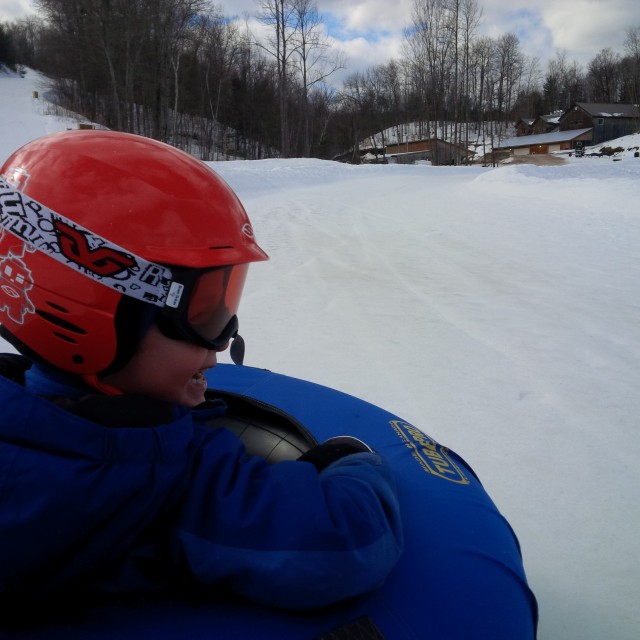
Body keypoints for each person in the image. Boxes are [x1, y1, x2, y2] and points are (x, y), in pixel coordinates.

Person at [0, 131, 403, 611]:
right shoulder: (155, 475)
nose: (222, 345)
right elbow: (346, 543)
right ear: (94, 315)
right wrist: (355, 463)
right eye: (207, 311)